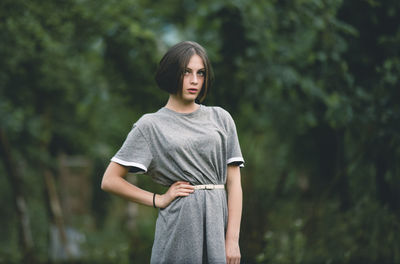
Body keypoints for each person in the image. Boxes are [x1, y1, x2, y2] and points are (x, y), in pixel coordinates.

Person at [101, 41, 244, 264]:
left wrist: (232, 239)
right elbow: (110, 180)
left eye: (201, 73)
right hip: (179, 227)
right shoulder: (150, 125)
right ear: (172, 73)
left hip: (218, 225)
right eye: (186, 72)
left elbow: (234, 183)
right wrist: (158, 199)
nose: (194, 80)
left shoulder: (221, 118)